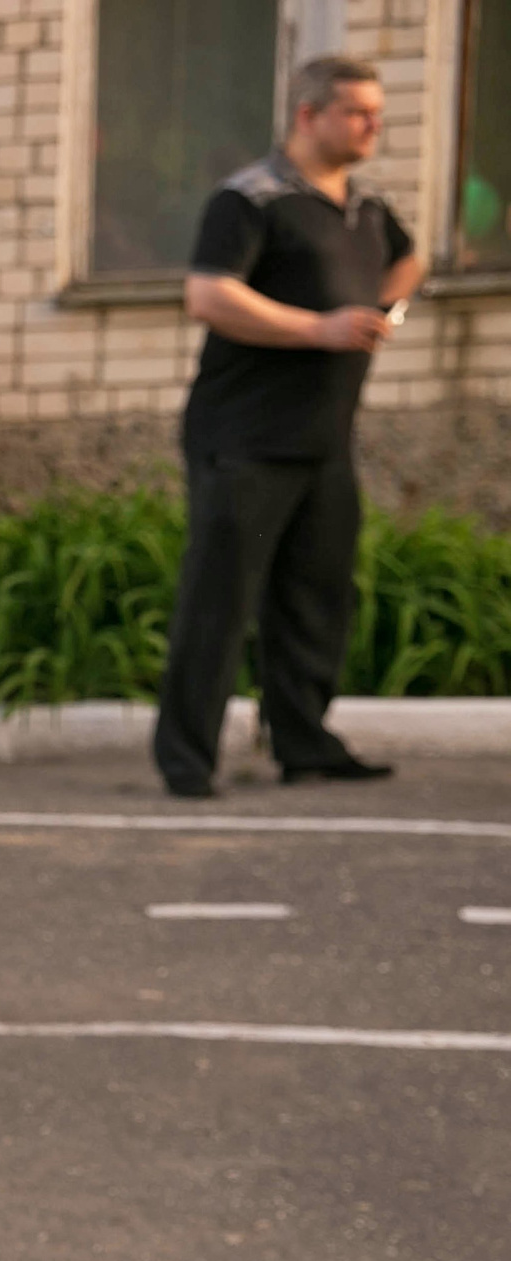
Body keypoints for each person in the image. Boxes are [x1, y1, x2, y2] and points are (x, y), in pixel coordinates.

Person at [154, 55, 422, 799]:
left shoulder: (366, 210)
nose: (373, 125)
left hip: (324, 441)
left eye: (376, 112)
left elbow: (411, 259)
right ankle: (187, 759)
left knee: (315, 597)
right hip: (243, 439)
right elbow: (208, 295)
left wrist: (385, 313)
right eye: (357, 112)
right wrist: (320, 328)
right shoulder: (252, 200)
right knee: (220, 600)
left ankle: (304, 743)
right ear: (309, 116)